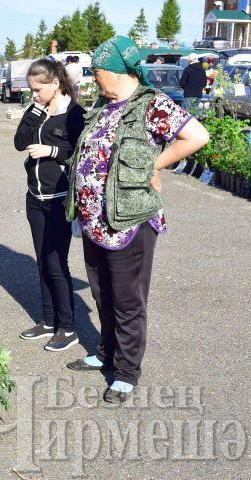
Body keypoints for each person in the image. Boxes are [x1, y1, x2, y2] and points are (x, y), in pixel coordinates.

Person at [64, 36, 209, 403]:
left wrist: (155, 165)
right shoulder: (105, 105)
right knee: (102, 293)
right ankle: (107, 352)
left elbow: (197, 135)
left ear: (117, 71)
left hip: (131, 221)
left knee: (128, 300)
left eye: (97, 73)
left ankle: (127, 371)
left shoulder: (151, 105)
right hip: (97, 220)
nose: (94, 79)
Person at [14, 59, 86, 352]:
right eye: (31, 89)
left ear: (55, 84)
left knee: (57, 264)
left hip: (59, 199)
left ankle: (67, 328)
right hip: (35, 198)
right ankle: (47, 321)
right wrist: (33, 113)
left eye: (38, 90)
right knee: (42, 261)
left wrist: (51, 150)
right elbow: (19, 142)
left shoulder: (75, 114)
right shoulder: (37, 111)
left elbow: (81, 154)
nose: (33, 94)